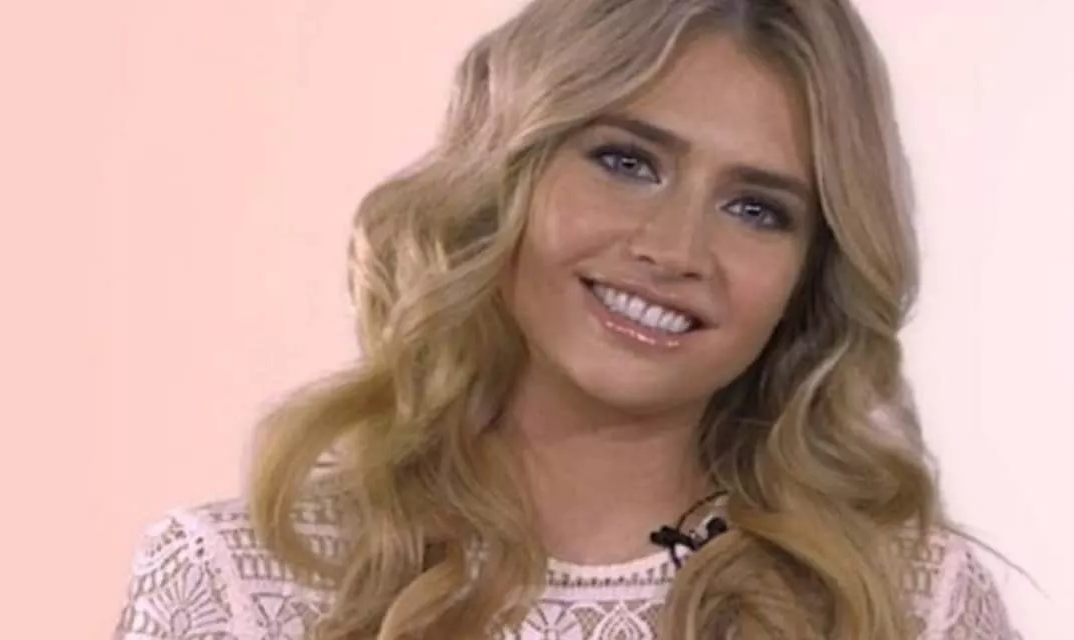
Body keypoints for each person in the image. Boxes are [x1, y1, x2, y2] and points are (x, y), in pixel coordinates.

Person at [112, 0, 1021, 638]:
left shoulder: (906, 605)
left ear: (809, 276)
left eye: (756, 209)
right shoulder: (237, 584)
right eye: (626, 161)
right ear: (505, 172)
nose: (674, 249)